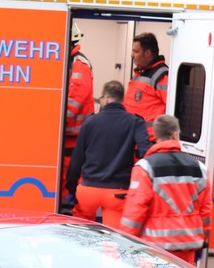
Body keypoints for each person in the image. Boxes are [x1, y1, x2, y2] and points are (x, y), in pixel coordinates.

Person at [121, 114, 212, 264]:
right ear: (175, 134)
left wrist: (125, 243)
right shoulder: (200, 168)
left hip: (155, 249)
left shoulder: (144, 168)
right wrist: (204, 240)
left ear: (156, 135)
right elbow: (206, 210)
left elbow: (135, 210)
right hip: (187, 247)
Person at [65, 80, 151, 230]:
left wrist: (72, 188)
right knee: (114, 240)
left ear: (105, 98)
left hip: (89, 191)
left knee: (80, 237)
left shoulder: (90, 122)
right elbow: (146, 152)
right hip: (118, 193)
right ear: (122, 99)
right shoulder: (134, 122)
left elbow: (77, 159)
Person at [62, 24, 95, 200]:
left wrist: (56, 125)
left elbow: (74, 101)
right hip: (67, 136)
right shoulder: (69, 61)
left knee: (69, 184)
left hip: (73, 137)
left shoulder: (79, 64)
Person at [123, 32, 169, 140]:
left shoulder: (162, 77)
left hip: (149, 141)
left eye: (136, 51)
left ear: (148, 53)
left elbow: (172, 111)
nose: (131, 55)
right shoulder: (140, 73)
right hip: (134, 139)